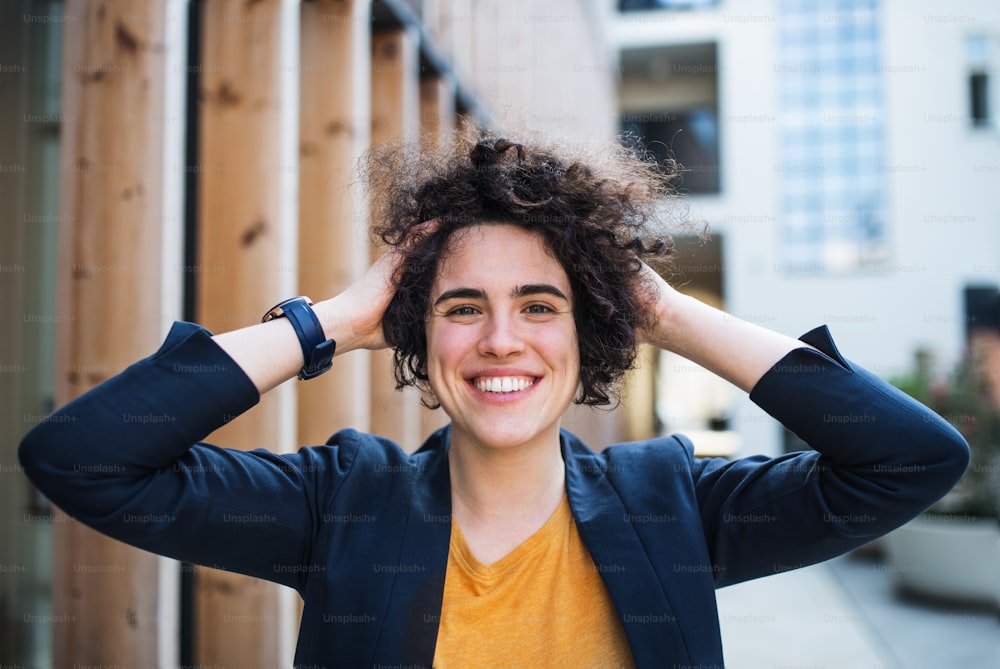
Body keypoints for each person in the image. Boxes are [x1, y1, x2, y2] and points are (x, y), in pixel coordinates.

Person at [19, 133, 969, 668]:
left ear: (591, 331)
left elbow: (911, 458)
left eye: (541, 306)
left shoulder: (674, 506)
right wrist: (335, 320)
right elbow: (85, 458)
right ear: (419, 337)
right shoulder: (343, 501)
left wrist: (669, 315)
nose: (502, 339)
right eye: (463, 307)